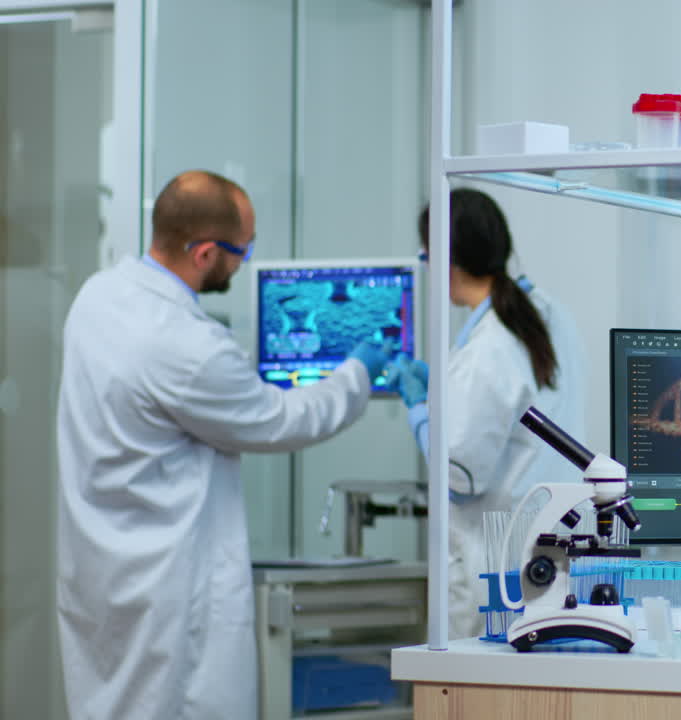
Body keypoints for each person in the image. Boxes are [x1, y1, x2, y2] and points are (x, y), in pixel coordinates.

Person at [56, 170, 396, 720]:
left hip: (104, 571)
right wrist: (358, 372)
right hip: (169, 592)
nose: (243, 264)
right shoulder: (186, 344)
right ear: (205, 253)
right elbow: (282, 420)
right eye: (243, 251)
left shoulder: (98, 297)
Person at [387, 188, 585, 638]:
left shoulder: (489, 348)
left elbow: (459, 474)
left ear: (445, 260)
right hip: (551, 545)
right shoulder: (549, 315)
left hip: (497, 563)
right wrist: (443, 397)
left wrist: (419, 412)